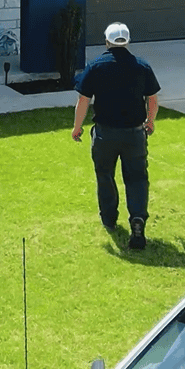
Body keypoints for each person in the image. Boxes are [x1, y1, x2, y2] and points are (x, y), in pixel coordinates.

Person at [71, 22, 160, 251]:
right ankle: (138, 218)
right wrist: (150, 121)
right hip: (134, 135)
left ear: (107, 41)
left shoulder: (96, 66)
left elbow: (83, 100)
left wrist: (77, 127)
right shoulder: (142, 66)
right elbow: (152, 98)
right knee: (137, 178)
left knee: (105, 176)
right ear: (127, 41)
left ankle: (109, 218)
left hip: (105, 134)